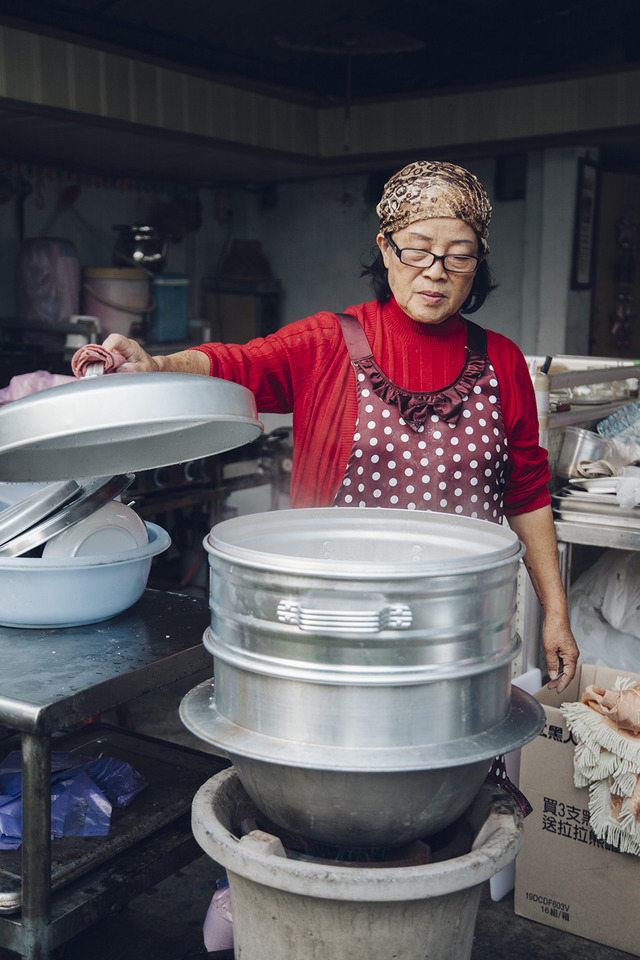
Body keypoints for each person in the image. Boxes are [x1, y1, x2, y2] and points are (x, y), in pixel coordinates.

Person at [103, 159, 579, 694]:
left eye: (459, 255)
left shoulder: (502, 361)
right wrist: (160, 364)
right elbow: (238, 363)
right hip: (339, 621)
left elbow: (527, 493)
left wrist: (555, 613)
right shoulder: (330, 344)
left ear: (479, 262)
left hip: (464, 629)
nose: (435, 270)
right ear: (385, 248)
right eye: (417, 249)